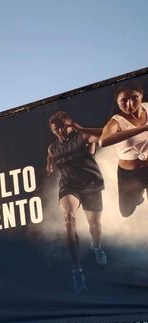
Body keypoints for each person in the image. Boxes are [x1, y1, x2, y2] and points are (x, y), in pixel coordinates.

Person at [45, 110, 106, 294]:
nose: (60, 131)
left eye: (63, 127)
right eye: (56, 129)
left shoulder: (83, 136)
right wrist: (48, 165)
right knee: (68, 219)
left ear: (71, 124)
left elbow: (109, 133)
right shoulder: (52, 148)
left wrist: (83, 128)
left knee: (95, 226)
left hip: (91, 184)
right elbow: (50, 157)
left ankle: (97, 247)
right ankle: (77, 271)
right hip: (69, 186)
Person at [99, 83, 148, 217]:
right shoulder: (115, 122)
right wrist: (143, 128)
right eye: (124, 100)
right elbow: (103, 141)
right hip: (129, 174)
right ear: (117, 101)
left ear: (141, 95)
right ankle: (138, 196)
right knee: (126, 212)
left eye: (134, 98)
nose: (129, 104)